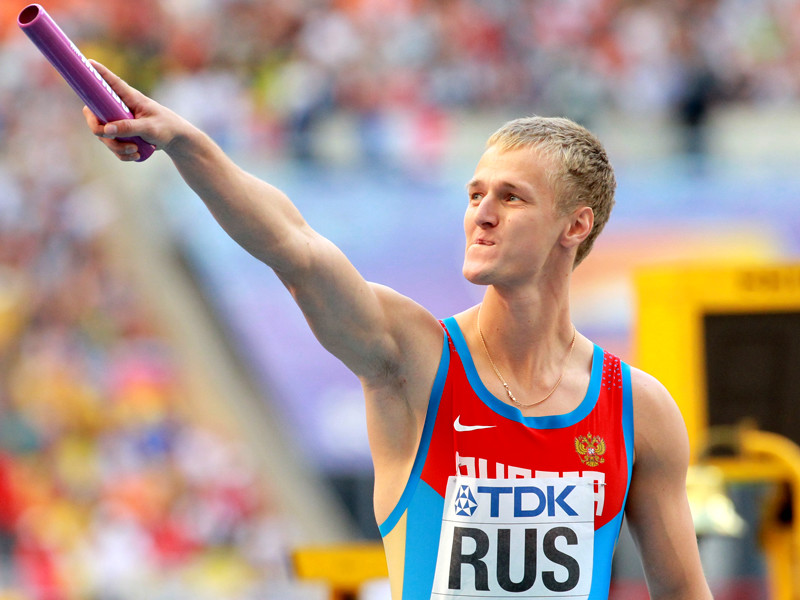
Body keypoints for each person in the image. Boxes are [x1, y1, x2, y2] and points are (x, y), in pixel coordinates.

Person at [83, 61, 713, 600]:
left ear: (575, 226)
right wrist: (186, 142)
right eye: (475, 194)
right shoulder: (415, 358)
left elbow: (685, 592)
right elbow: (295, 248)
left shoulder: (638, 410)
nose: (482, 214)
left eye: (511, 197)